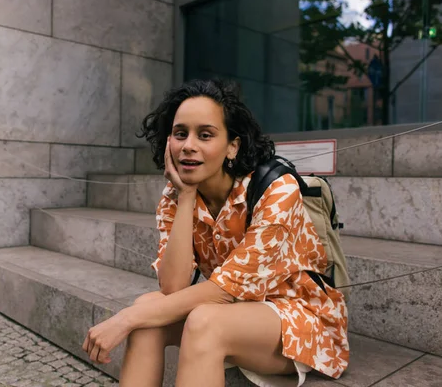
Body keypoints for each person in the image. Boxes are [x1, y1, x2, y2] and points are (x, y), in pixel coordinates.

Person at [82, 79, 349, 387]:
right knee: (148, 313)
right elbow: (173, 286)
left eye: (205, 135)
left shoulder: (276, 190)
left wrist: (123, 319)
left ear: (232, 145)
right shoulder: (176, 195)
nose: (188, 145)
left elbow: (224, 290)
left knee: (197, 320)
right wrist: (186, 196)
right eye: (180, 134)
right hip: (233, 312)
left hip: (302, 321)